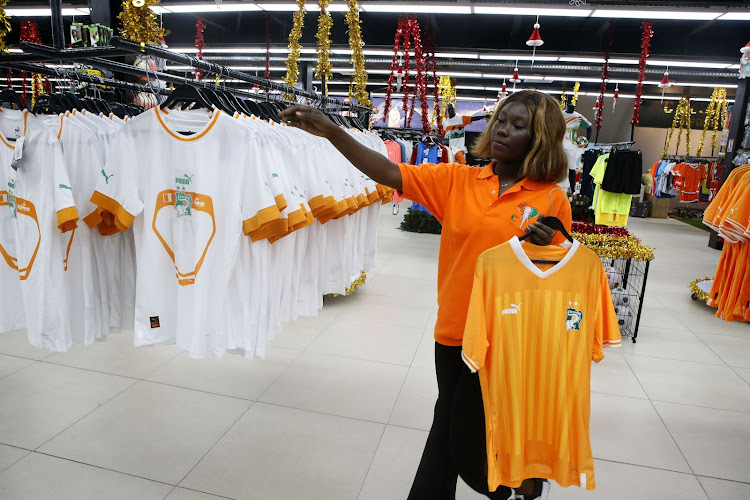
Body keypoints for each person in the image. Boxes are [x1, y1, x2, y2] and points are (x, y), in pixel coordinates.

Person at [280, 89, 572, 500]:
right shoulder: (460, 181)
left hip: (507, 334)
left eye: (518, 125)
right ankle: (515, 485)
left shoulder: (551, 198)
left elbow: (558, 275)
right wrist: (331, 132)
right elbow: (388, 171)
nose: (503, 130)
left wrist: (547, 248)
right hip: (454, 328)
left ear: (540, 137)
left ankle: (507, 482)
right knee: (453, 418)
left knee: (468, 422)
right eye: (501, 120)